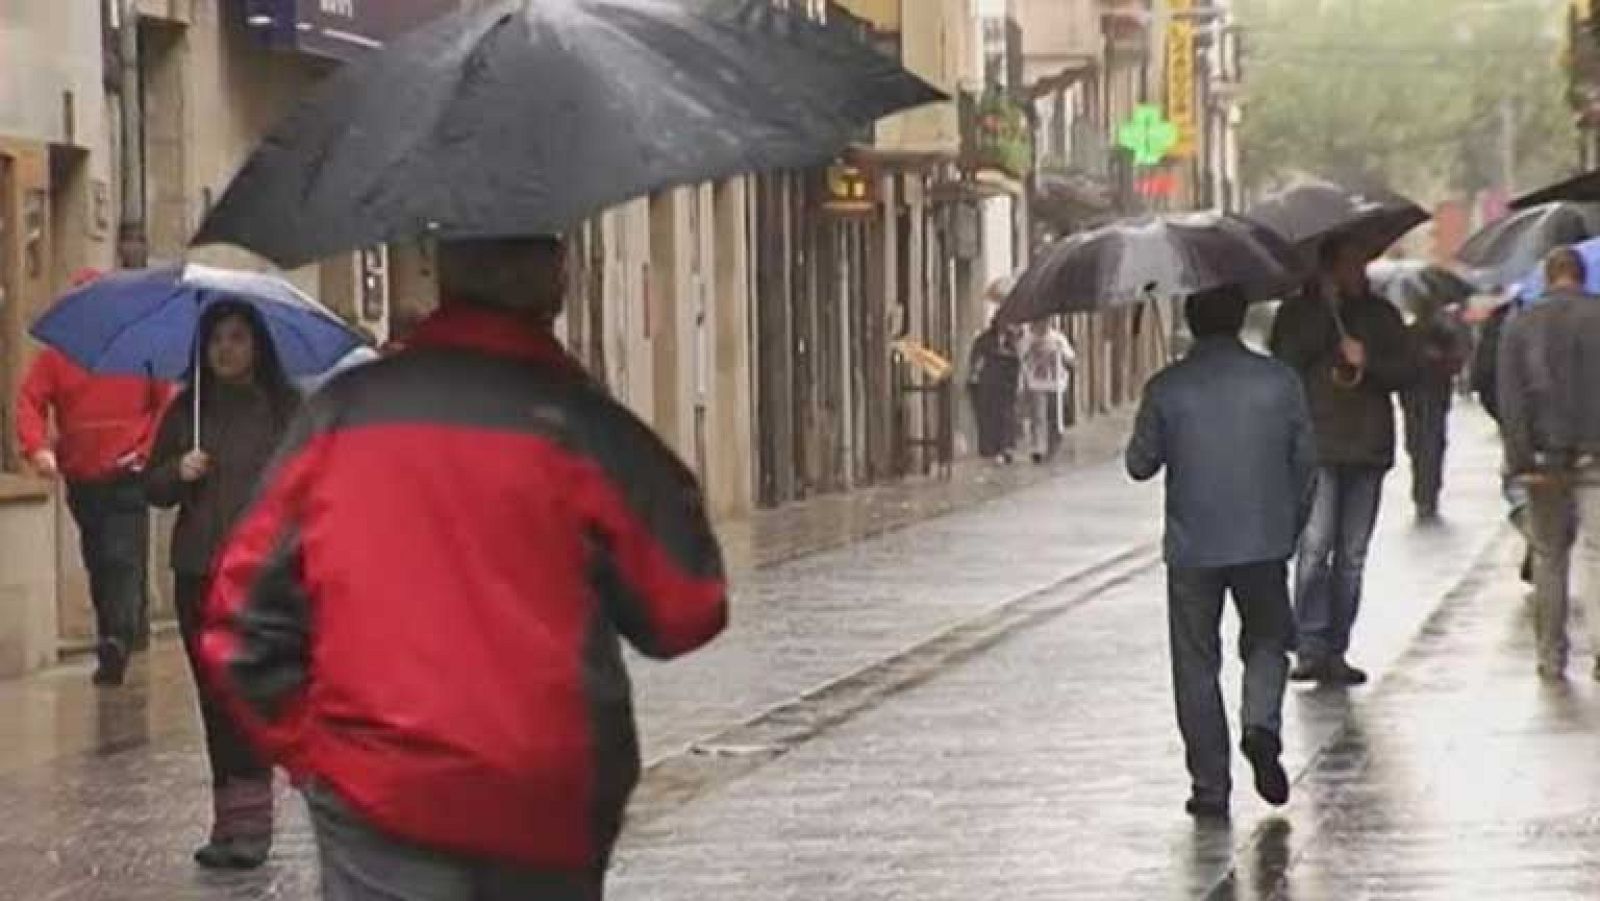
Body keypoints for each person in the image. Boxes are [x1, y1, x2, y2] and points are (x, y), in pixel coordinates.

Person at [197, 236, 728, 900]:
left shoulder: (342, 416)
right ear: (555, 279)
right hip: (544, 799)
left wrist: (316, 755)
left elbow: (240, 621)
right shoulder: (580, 424)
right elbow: (687, 605)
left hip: (378, 792)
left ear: (441, 273)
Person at [1127, 287, 1316, 820]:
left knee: (1195, 663)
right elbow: (1305, 465)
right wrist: (1289, 526)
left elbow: (1139, 464)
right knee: (1268, 640)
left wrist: (1160, 405)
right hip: (1263, 542)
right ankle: (1260, 723)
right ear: (1239, 318)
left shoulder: (1167, 387)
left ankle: (1210, 785)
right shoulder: (1280, 381)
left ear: (1191, 321)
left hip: (1193, 549)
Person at [146, 301, 300, 869]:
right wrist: (175, 472)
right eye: (216, 340)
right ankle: (228, 823)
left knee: (246, 695)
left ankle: (253, 823)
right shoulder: (188, 409)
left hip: (259, 576)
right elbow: (152, 486)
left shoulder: (284, 410)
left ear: (257, 345)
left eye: (237, 338)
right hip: (196, 571)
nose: (226, 349)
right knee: (213, 696)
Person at [1270, 235, 1418, 686]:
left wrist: (1366, 360)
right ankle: (1309, 645)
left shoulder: (1382, 316)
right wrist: (1323, 319)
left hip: (1368, 448)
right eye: (1349, 264)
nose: (1359, 271)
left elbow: (1407, 372)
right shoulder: (1298, 315)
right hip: (1319, 447)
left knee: (1352, 554)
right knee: (1315, 547)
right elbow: (1283, 366)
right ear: (1328, 269)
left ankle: (1337, 647)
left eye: (1362, 262)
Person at [16, 268, 172, 685]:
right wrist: (39, 449)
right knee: (100, 560)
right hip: (83, 478)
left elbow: (164, 406)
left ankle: (119, 636)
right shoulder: (58, 356)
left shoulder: (138, 349)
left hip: (127, 474)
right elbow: (29, 401)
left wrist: (144, 451)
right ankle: (114, 635)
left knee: (120, 558)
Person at [1498, 247, 1600, 682]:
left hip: (1543, 458)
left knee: (1549, 556)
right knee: (1597, 555)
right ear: (1581, 276)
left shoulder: (1521, 324)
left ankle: (1551, 656)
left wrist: (1521, 457)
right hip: (1596, 453)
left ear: (1548, 276)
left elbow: (1511, 397)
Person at [1401, 295, 1471, 519]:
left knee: (1429, 444)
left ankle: (1427, 493)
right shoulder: (1409, 334)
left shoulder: (1444, 333)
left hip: (1433, 395)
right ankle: (1424, 492)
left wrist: (1440, 360)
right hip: (1415, 396)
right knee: (1419, 445)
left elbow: (1456, 361)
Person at [1019, 319, 1077, 464]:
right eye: (1039, 322)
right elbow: (1020, 357)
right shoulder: (1028, 339)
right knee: (1038, 417)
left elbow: (1070, 358)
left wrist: (1064, 356)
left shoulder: (1058, 338)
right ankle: (1038, 448)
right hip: (1036, 383)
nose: (1042, 325)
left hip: (1056, 384)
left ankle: (1053, 446)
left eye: (1044, 322)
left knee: (1054, 417)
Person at [968, 322, 1022, 463]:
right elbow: (977, 359)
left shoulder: (1011, 340)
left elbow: (1016, 361)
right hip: (988, 385)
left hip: (1006, 386)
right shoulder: (984, 340)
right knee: (989, 417)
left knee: (1006, 416)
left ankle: (1005, 447)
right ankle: (990, 448)